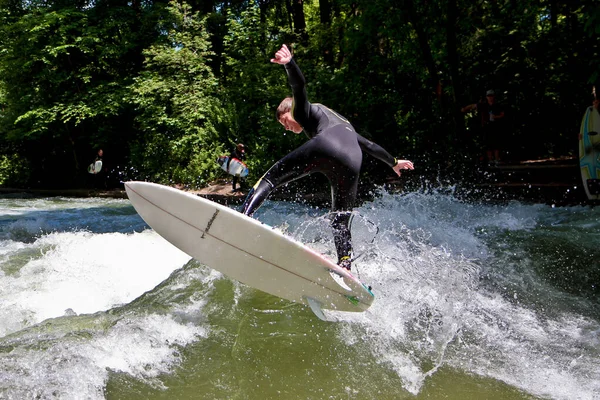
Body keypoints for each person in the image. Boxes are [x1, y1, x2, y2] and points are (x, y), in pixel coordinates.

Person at [241, 44, 414, 271]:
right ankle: (345, 264)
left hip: (325, 146)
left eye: (284, 122)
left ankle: (243, 215)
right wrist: (393, 162)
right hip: (353, 161)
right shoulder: (344, 124)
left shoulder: (302, 110)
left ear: (290, 111)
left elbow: (299, 86)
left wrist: (290, 64)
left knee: (270, 179)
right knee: (340, 219)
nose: (287, 128)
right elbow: (369, 146)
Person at [462, 89, 505, 164]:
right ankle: (490, 159)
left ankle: (497, 159)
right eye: (489, 96)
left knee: (496, 142)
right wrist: (464, 109)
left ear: (493, 97)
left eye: (491, 96)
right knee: (488, 143)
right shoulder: (483, 105)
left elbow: (502, 114)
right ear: (486, 97)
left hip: (495, 126)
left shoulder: (497, 105)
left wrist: (496, 117)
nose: (490, 97)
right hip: (486, 126)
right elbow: (473, 105)